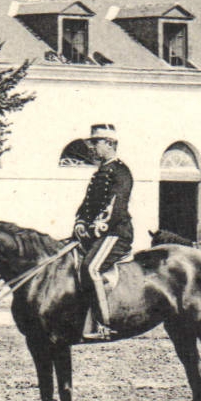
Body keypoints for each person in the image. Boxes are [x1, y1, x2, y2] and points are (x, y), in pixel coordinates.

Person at [72, 123, 133, 340]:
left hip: (115, 234)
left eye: (96, 143)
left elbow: (115, 207)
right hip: (97, 233)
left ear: (109, 144)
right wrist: (80, 222)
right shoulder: (100, 173)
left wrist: (97, 227)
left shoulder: (120, 172)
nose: (92, 148)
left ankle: (103, 324)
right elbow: (87, 204)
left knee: (91, 268)